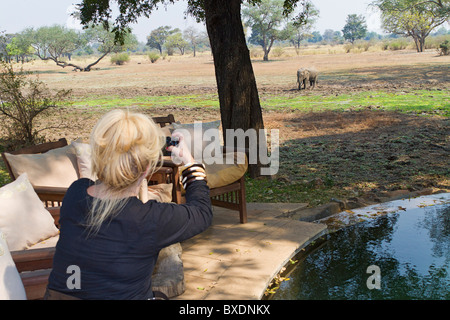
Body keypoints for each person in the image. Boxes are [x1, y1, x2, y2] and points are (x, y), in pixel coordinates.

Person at [45, 109, 212, 300]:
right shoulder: (150, 219)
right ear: (147, 168)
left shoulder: (76, 193)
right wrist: (190, 163)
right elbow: (202, 212)